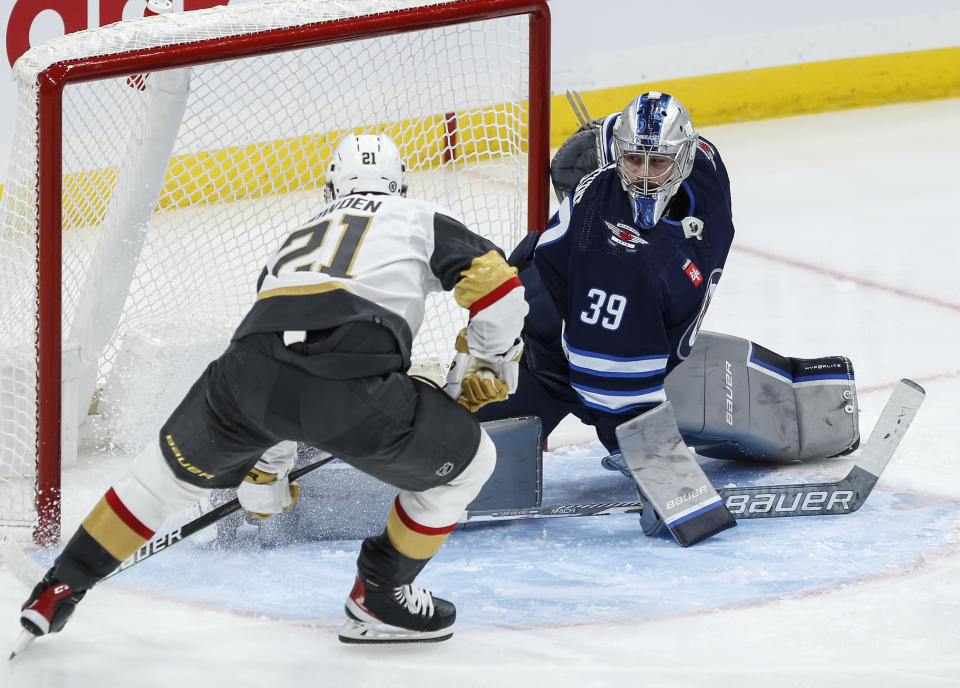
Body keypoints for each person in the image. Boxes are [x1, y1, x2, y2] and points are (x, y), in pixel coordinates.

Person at [19, 133, 527, 645]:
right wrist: (485, 360)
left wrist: (267, 471)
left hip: (243, 375)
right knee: (473, 464)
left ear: (330, 189)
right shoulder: (417, 215)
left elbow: (281, 360)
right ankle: (380, 596)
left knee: (155, 486)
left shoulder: (294, 240)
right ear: (400, 185)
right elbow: (500, 285)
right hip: (351, 381)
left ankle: (57, 587)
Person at [475, 91, 734, 456]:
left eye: (657, 161)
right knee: (464, 468)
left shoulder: (706, 167)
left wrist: (612, 133)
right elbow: (611, 394)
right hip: (537, 353)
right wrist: (645, 454)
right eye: (632, 161)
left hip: (562, 298)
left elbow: (637, 132)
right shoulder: (614, 263)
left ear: (685, 155)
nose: (644, 177)